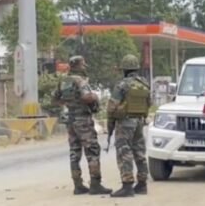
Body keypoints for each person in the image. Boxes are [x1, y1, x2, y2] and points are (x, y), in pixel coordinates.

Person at [51, 55, 112, 195]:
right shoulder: (80, 81)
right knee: (92, 150)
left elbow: (54, 99)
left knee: (74, 152)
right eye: (83, 64)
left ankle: (78, 185)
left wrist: (69, 104)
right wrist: (94, 96)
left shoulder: (63, 81)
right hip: (83, 120)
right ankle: (95, 184)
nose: (84, 67)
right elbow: (86, 97)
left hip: (71, 120)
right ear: (79, 66)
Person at [106, 54, 152, 197]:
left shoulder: (122, 85)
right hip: (139, 121)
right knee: (139, 152)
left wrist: (110, 123)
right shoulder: (144, 83)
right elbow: (149, 103)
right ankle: (142, 184)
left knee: (124, 152)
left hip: (125, 122)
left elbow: (111, 107)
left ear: (124, 69)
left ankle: (127, 186)